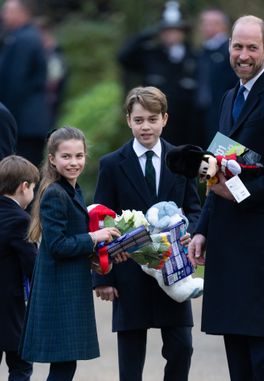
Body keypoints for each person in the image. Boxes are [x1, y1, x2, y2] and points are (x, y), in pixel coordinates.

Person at [188, 15, 264, 381]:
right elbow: (218, 172)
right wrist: (202, 228)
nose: (243, 55)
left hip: (262, 247)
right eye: (237, 47)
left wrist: (242, 194)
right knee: (237, 351)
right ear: (228, 48)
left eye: (251, 47)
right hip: (228, 242)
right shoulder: (229, 97)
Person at [93, 86, 201, 381]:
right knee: (131, 357)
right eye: (139, 120)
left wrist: (190, 231)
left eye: (152, 119)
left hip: (173, 268)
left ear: (164, 119)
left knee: (182, 348)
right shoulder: (112, 164)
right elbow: (100, 221)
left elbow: (193, 208)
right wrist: (103, 277)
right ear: (128, 120)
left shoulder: (181, 161)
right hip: (129, 270)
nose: (146, 127)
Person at [19, 127, 124, 381]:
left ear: (86, 156)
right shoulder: (55, 193)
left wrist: (100, 257)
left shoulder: (72, 190)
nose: (74, 162)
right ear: (52, 159)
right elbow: (58, 245)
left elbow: (72, 243)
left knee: (65, 366)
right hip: (59, 291)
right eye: (66, 156)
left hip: (68, 286)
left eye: (79, 156)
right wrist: (93, 238)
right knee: (63, 367)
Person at [117, 1, 199, 146]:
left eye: (175, 30)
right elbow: (123, 57)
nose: (171, 35)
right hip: (155, 128)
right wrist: (145, 35)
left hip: (187, 129)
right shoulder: (151, 55)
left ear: (183, 32)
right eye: (166, 30)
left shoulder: (195, 57)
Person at [0, 155, 39, 381]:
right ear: (24, 187)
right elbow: (32, 265)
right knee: (21, 367)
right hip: (11, 309)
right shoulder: (19, 219)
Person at [0, 0, 50, 167]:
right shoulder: (23, 37)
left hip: (24, 123)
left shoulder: (24, 40)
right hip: (26, 121)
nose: (3, 15)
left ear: (22, 13)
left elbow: (15, 81)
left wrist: (5, 117)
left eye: (7, 11)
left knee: (22, 176)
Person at [196, 8, 238, 146]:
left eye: (212, 23)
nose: (206, 27)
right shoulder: (203, 51)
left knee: (227, 157)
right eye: (205, 23)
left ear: (223, 26)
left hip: (225, 114)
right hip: (203, 113)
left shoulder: (231, 50)